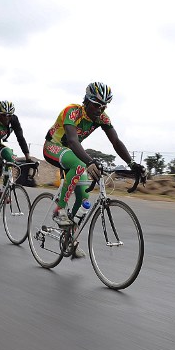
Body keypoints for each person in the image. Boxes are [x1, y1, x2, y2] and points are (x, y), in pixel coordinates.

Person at [43, 82, 147, 236]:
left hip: (73, 154)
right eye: (97, 105)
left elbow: (116, 142)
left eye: (104, 106)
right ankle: (60, 210)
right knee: (80, 164)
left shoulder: (102, 118)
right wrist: (89, 161)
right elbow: (72, 141)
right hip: (53, 147)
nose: (100, 109)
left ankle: (69, 237)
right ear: (87, 100)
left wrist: (131, 164)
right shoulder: (72, 111)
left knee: (84, 199)